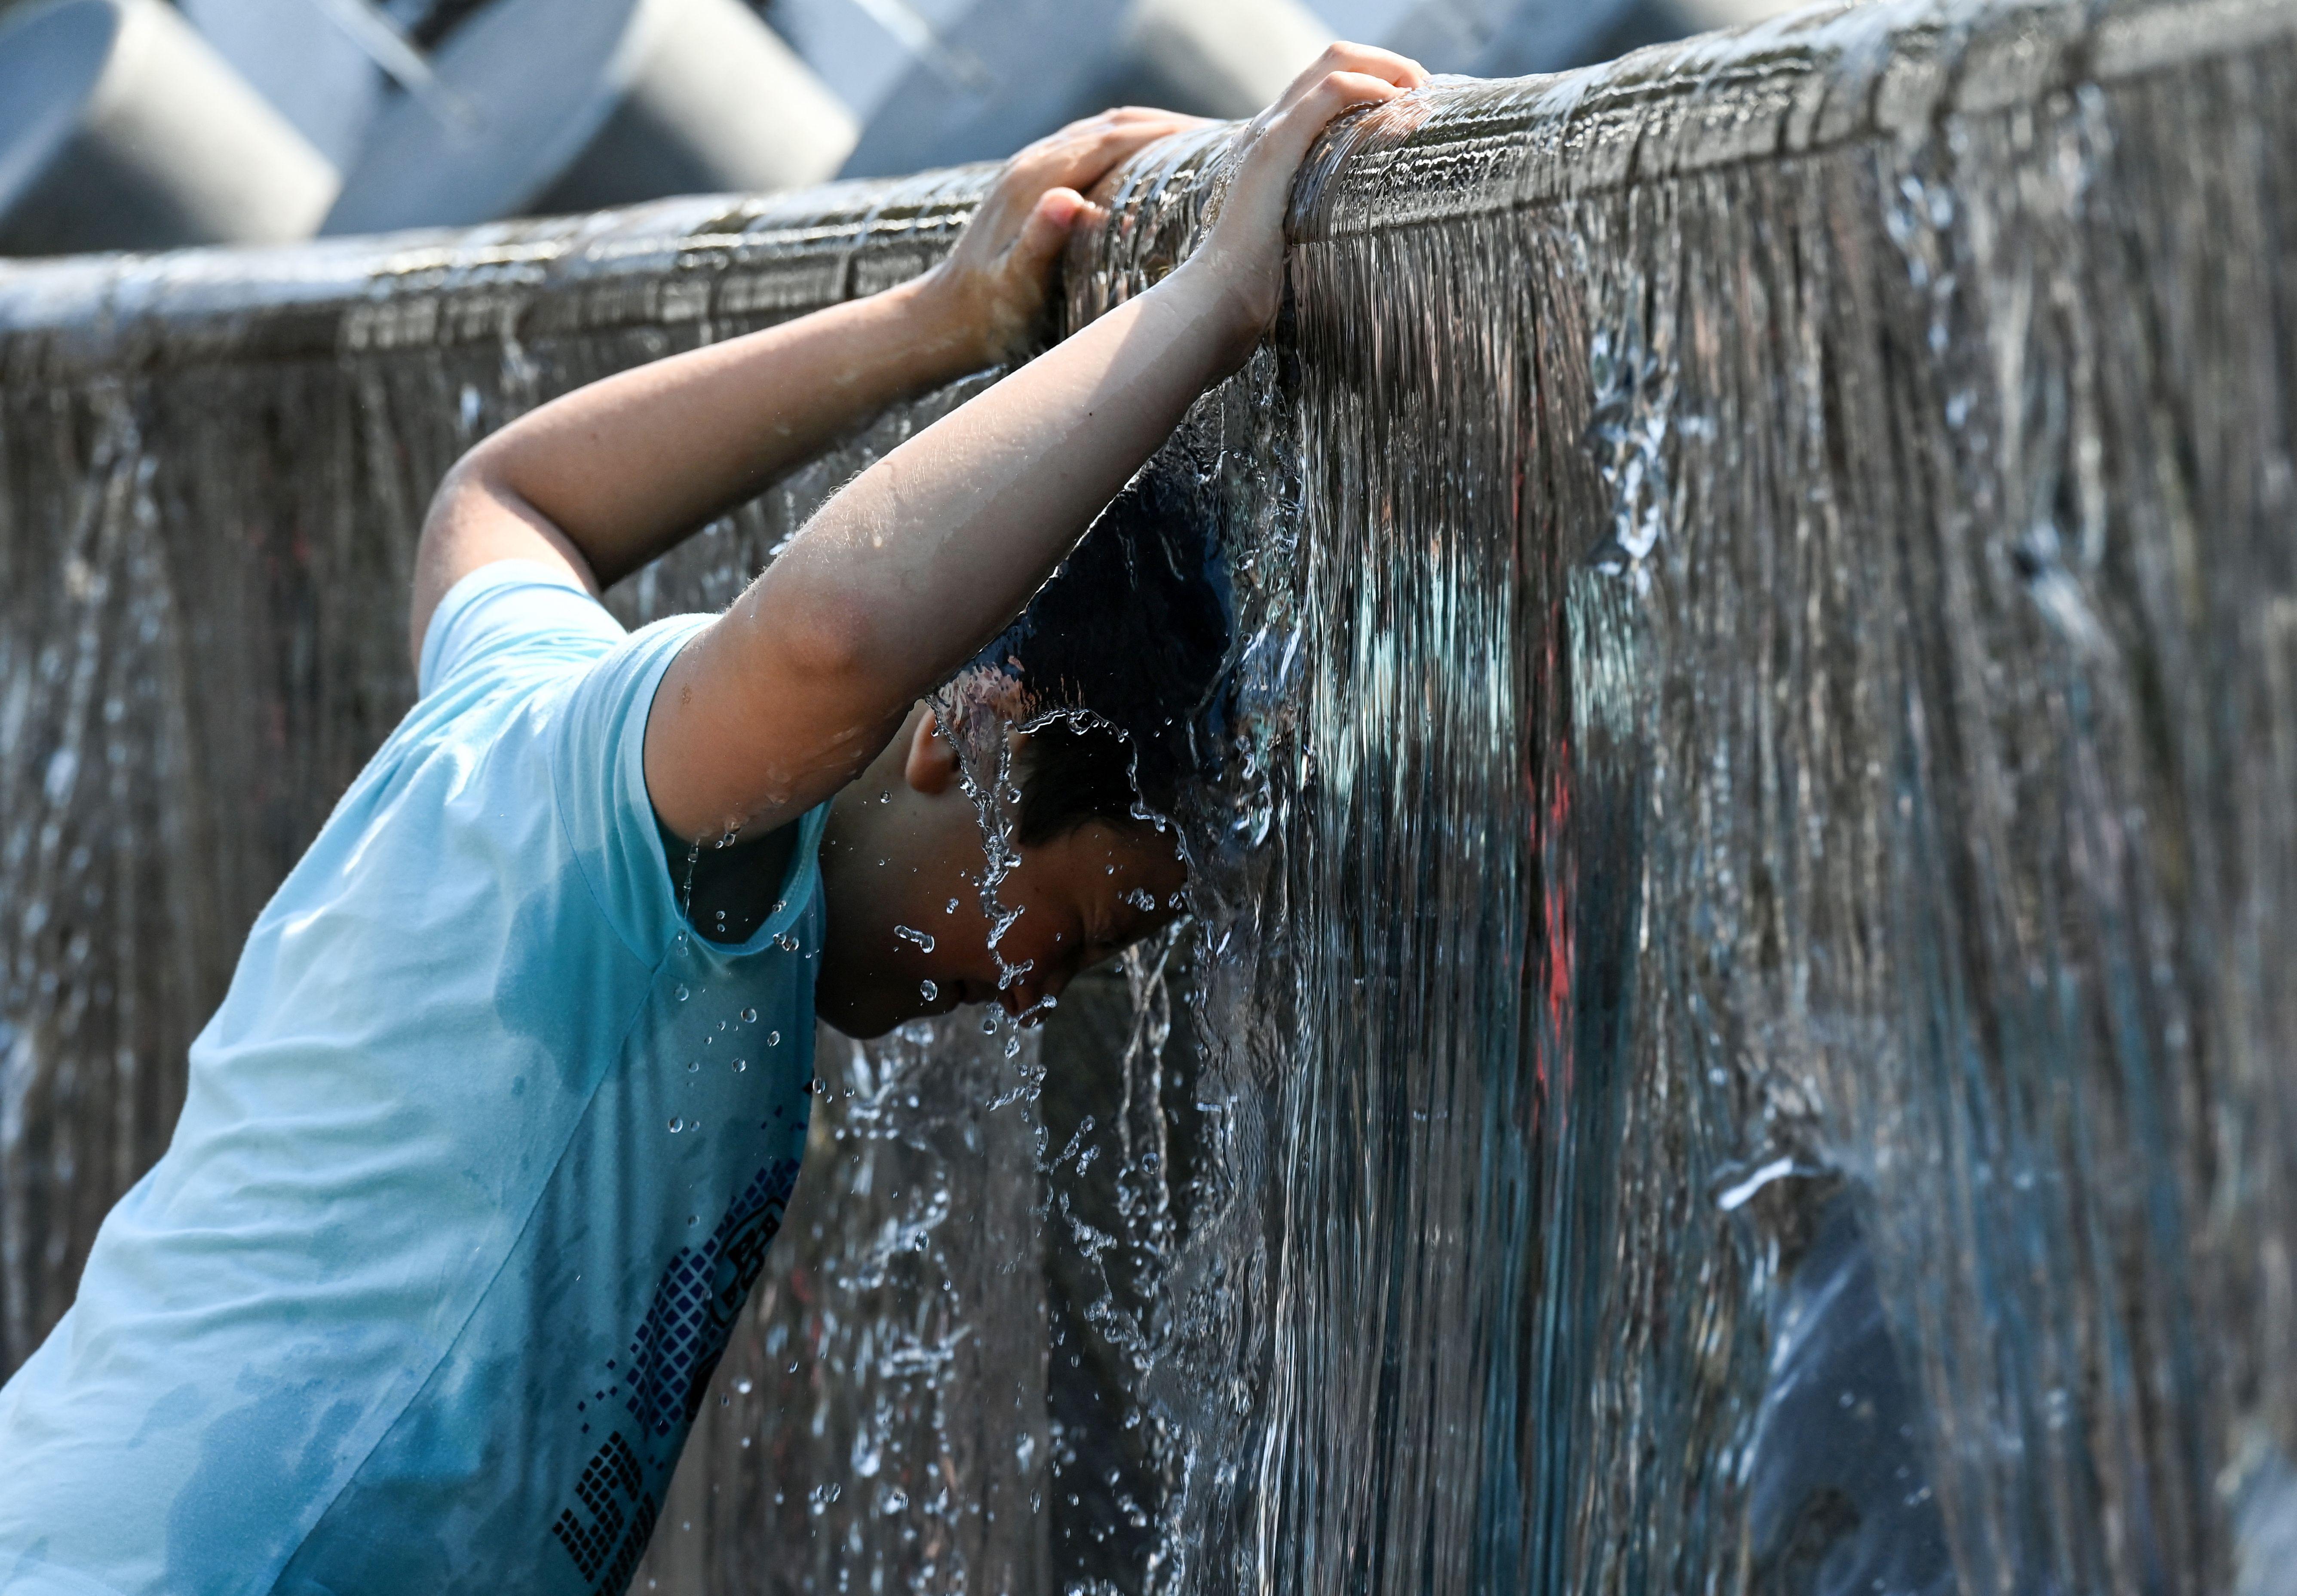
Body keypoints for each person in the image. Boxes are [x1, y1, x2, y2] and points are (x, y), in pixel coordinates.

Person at [0, 41, 1429, 1596]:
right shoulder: (684, 839)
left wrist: (932, 324)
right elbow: (830, 638)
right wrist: (1209, 303)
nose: (1029, 994)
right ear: (978, 736)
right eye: (1069, 932)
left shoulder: (532, 702)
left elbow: (505, 498)